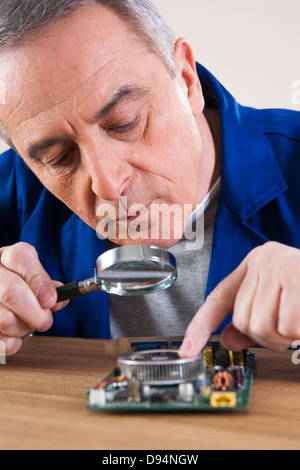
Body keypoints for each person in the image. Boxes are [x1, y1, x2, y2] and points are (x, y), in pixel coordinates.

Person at [0, 0, 299, 358]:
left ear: (186, 80)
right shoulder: (18, 189)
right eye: (60, 158)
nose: (107, 183)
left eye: (125, 122)